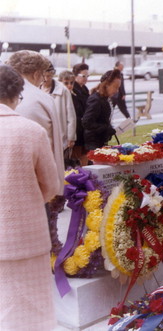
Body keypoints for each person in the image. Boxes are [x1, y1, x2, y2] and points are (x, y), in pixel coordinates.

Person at [0, 65, 60, 331]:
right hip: (27, 236)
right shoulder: (31, 131)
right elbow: (51, 186)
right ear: (16, 95)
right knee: (34, 313)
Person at [7, 50, 64, 194]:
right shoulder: (39, 98)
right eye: (42, 77)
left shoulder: (8, 94)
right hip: (31, 185)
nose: (42, 81)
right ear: (36, 74)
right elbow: (42, 149)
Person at [40, 63, 77, 163]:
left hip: (60, 133)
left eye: (48, 76)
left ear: (52, 75)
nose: (46, 79)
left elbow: (71, 115)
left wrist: (71, 137)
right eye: (43, 75)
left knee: (57, 162)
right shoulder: (37, 89)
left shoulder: (63, 90)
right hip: (42, 132)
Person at [82, 69, 121, 151]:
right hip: (93, 143)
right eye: (115, 87)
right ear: (107, 85)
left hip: (100, 141)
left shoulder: (105, 98)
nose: (117, 91)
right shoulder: (96, 100)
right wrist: (106, 128)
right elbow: (87, 123)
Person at [72, 63, 90, 165]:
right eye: (83, 76)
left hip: (84, 127)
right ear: (75, 76)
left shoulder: (85, 89)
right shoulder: (73, 89)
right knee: (76, 156)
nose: (86, 78)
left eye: (87, 76)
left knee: (85, 153)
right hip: (77, 127)